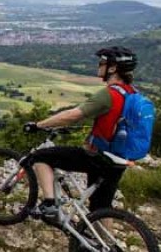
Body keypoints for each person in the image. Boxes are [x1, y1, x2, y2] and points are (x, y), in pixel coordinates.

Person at [23, 46, 139, 223]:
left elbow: (73, 115)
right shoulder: (134, 94)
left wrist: (39, 125)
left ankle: (50, 206)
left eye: (102, 62)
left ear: (113, 68)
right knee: (101, 208)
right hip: (119, 159)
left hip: (98, 157)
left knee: (40, 156)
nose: (99, 65)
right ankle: (105, 247)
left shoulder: (109, 94)